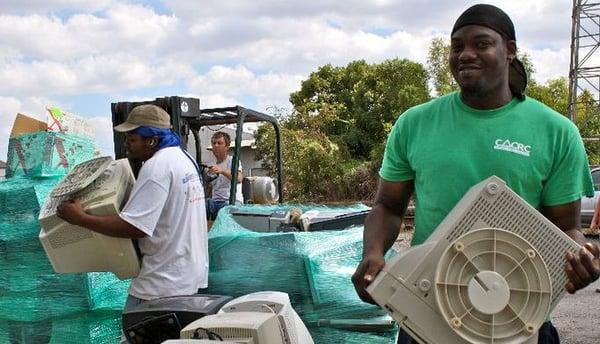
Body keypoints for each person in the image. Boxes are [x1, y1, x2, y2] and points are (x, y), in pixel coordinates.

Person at [351, 4, 600, 344]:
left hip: (519, 317)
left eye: (481, 44)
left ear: (509, 50)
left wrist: (580, 258)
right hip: (427, 314)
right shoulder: (415, 124)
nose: (465, 54)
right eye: (457, 46)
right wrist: (373, 252)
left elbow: (565, 228)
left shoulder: (556, 132)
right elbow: (388, 207)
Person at [56, 104, 209, 310]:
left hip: (159, 286)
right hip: (186, 277)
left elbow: (135, 227)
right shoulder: (184, 159)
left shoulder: (156, 167)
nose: (126, 144)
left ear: (152, 140)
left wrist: (80, 218)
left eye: (132, 139)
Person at [205, 131, 243, 221]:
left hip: (231, 201)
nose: (216, 146)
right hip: (215, 202)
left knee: (224, 209)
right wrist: (206, 178)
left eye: (219, 143)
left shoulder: (233, 161)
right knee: (199, 206)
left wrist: (222, 171)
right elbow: (209, 188)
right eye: (214, 143)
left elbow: (239, 179)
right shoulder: (210, 164)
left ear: (227, 147)